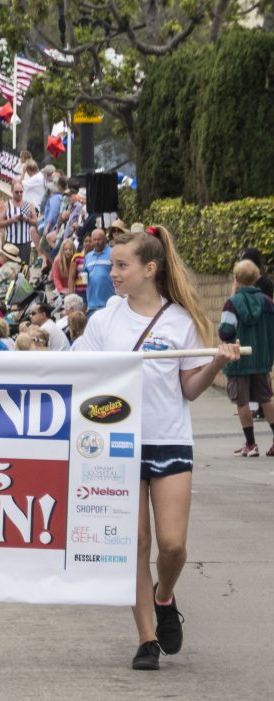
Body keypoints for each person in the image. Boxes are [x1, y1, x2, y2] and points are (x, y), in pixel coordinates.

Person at [72, 224, 241, 670]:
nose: (114, 273)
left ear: (150, 269)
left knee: (172, 546)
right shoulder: (104, 319)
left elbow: (189, 388)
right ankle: (147, 639)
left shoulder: (180, 321)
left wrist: (216, 363)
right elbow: (73, 370)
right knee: (137, 545)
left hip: (168, 439)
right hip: (116, 445)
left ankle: (163, 596)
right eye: (112, 265)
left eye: (122, 265)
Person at [218, 260, 274, 456]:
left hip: (238, 359)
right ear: (256, 277)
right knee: (266, 399)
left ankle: (250, 445)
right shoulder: (268, 302)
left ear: (236, 278)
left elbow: (226, 332)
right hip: (262, 360)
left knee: (242, 402)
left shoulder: (232, 303)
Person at [0, 183, 37, 265]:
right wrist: (12, 220)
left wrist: (27, 219)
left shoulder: (29, 205)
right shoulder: (6, 205)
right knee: (9, 268)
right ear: (12, 191)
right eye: (17, 192)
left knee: (23, 268)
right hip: (11, 242)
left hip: (25, 243)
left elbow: (35, 222)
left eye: (21, 192)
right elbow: (0, 223)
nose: (19, 194)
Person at [83, 228, 115, 315]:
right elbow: (84, 274)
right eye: (94, 240)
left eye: (99, 239)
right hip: (92, 304)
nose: (96, 242)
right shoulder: (88, 257)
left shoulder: (113, 253)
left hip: (110, 303)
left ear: (105, 239)